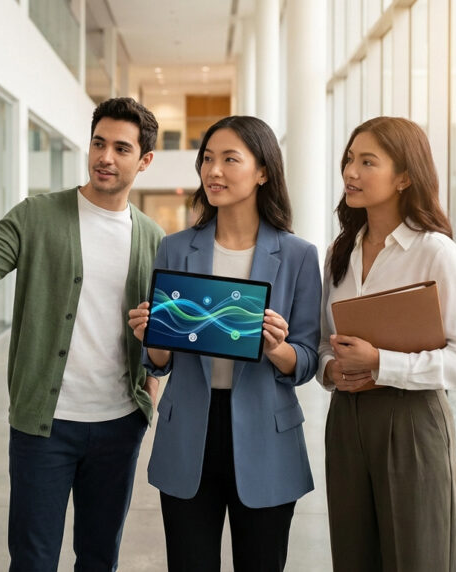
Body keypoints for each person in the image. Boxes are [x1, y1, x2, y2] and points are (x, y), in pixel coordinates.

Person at [0, 97, 165, 572]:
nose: (105, 156)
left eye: (121, 148)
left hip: (119, 425)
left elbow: (161, 334)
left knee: (99, 558)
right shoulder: (37, 215)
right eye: (99, 143)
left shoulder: (153, 237)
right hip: (45, 427)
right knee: (32, 560)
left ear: (144, 160)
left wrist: (149, 394)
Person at [127, 116, 322, 571]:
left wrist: (277, 348)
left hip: (267, 437)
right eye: (207, 159)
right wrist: (151, 338)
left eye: (230, 159)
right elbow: (158, 364)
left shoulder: (298, 256)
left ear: (263, 171)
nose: (213, 171)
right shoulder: (176, 248)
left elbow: (309, 361)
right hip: (189, 431)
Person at [317, 116, 456, 572]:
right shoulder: (340, 252)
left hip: (412, 421)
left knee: (418, 557)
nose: (351, 172)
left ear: (405, 176)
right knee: (353, 557)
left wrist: (381, 363)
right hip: (347, 420)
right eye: (349, 159)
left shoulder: (436, 252)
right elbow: (322, 344)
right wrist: (332, 369)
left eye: (367, 161)